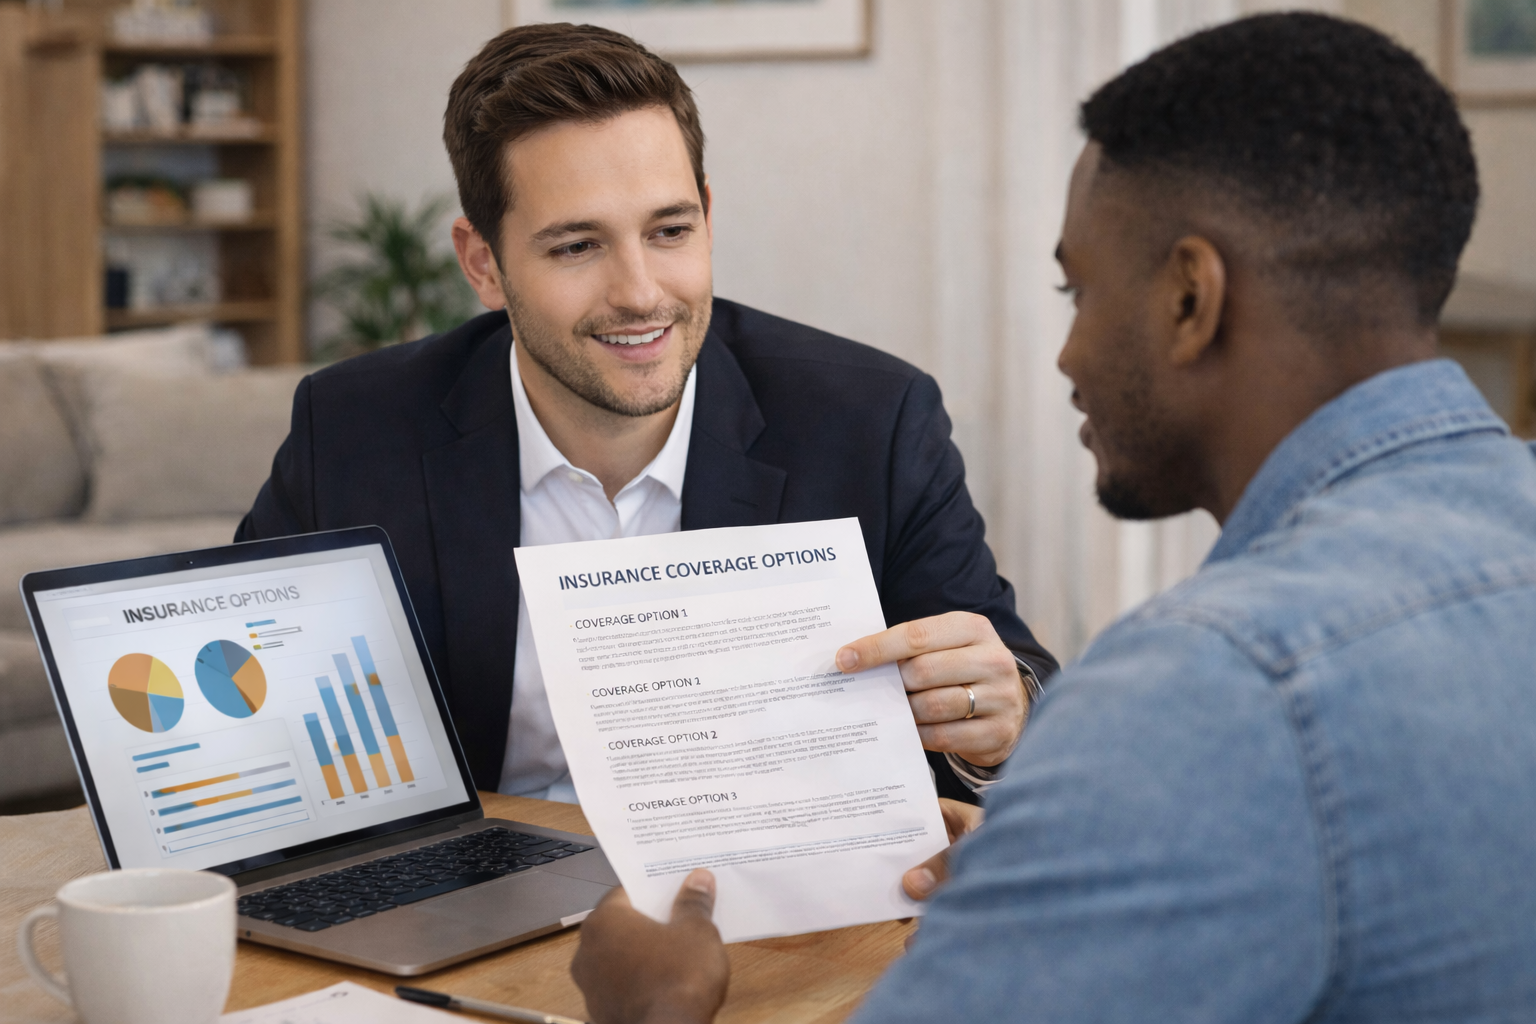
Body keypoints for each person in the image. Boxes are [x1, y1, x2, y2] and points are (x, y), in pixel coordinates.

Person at [568, 12, 1536, 1023]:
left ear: (1190, 300)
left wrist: (658, 1010)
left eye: (1078, 289)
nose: (1068, 355)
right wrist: (1078, 862)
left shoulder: (1206, 691)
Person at [237, 23, 1055, 802]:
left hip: (759, 911)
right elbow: (246, 712)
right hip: (475, 918)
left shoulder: (873, 421)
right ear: (484, 263)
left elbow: (1014, 685)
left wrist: (1002, 716)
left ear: (706, 213)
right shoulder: (350, 427)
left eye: (669, 230)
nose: (639, 293)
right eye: (576, 246)